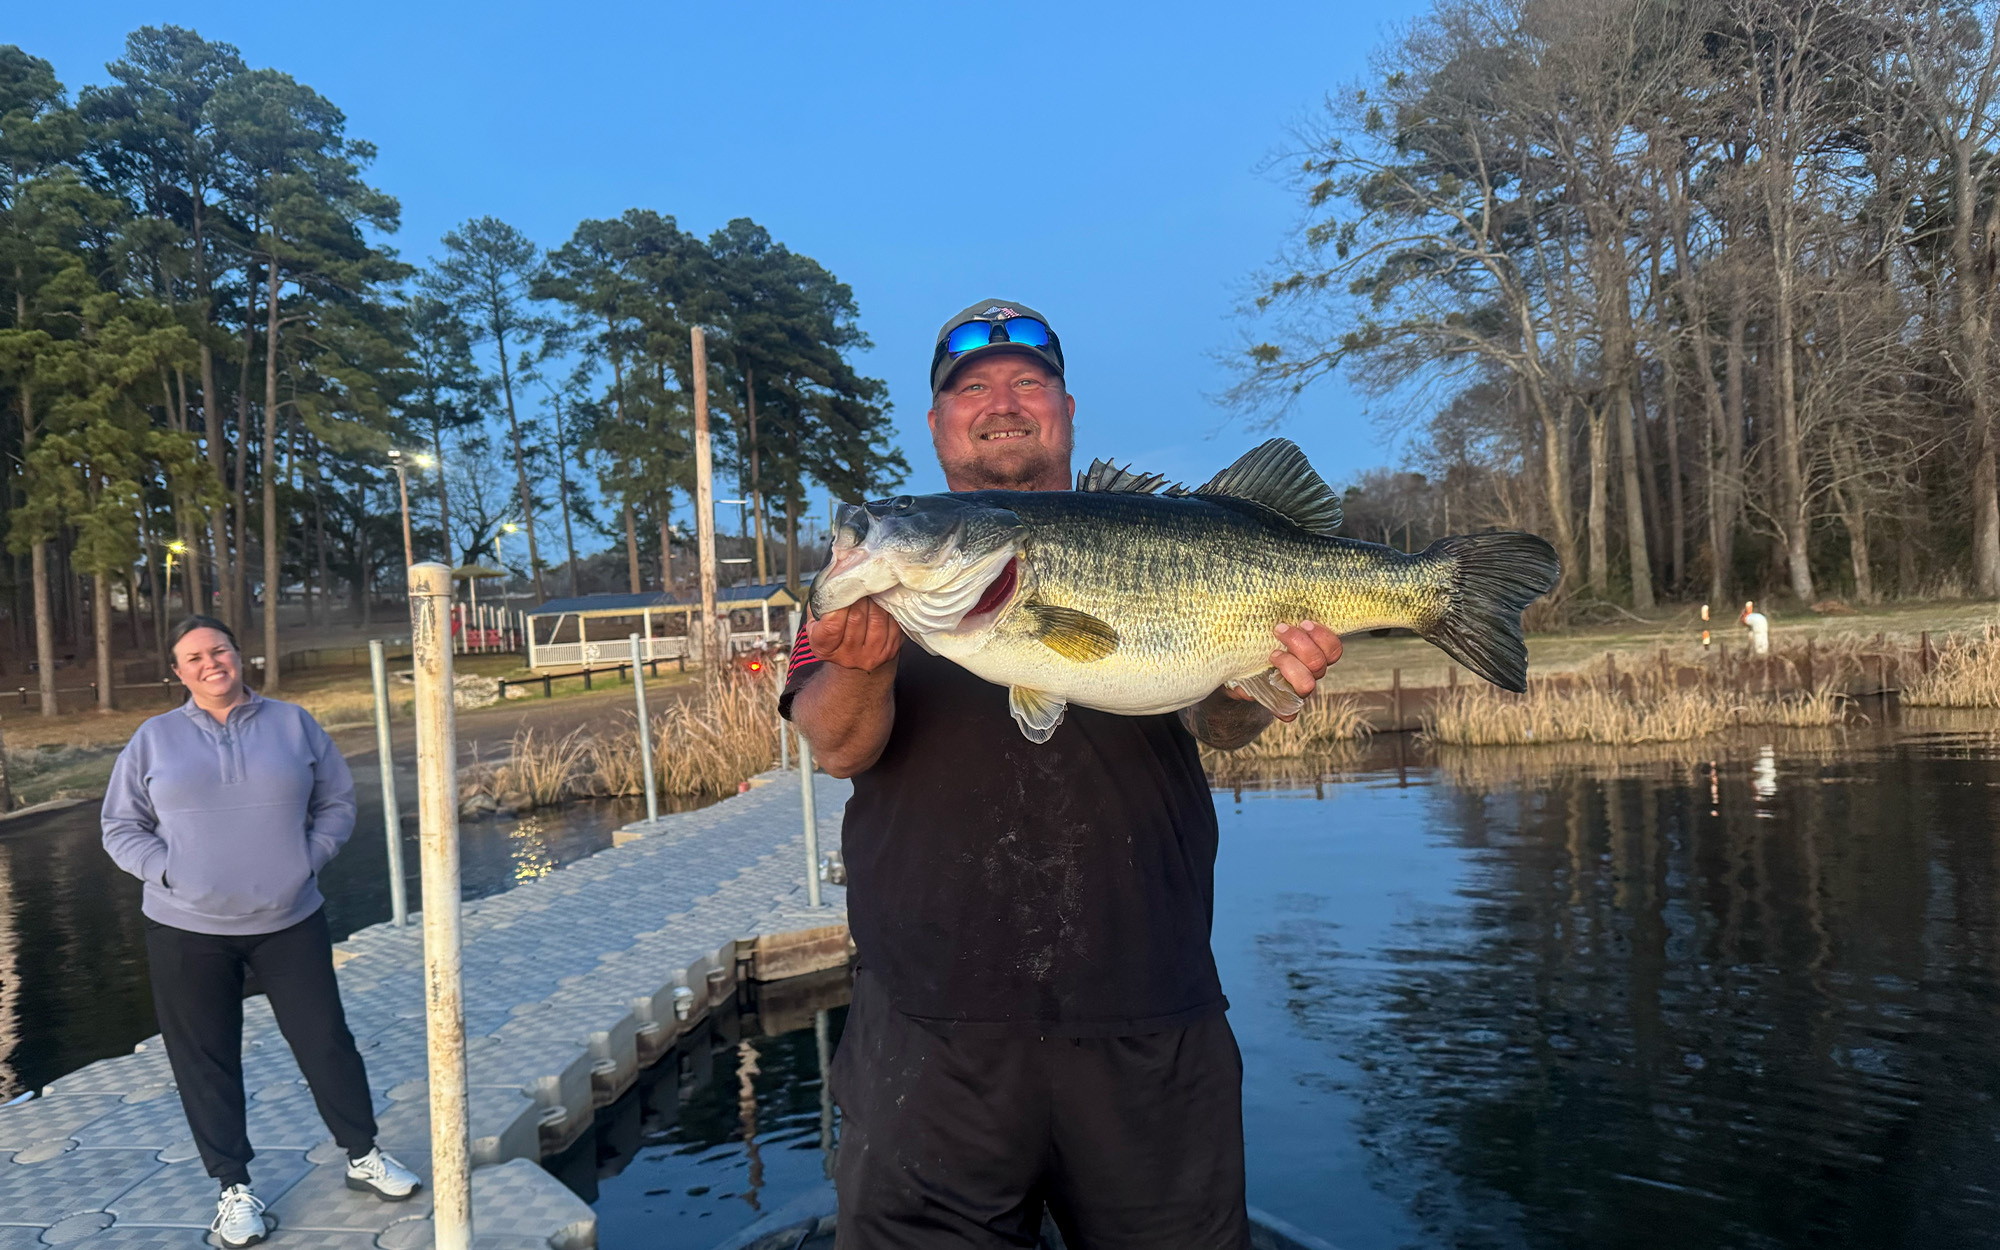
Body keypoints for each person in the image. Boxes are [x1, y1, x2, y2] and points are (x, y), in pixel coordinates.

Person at [784, 301, 1342, 1248]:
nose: (1001, 403)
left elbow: (1219, 722)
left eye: (1027, 382)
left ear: (1067, 409)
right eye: (971, 389)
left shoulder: (1162, 532)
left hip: (1150, 1015)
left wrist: (1262, 685)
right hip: (930, 1030)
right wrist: (869, 661)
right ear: (935, 424)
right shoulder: (865, 580)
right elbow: (837, 745)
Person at [101, 616, 421, 1249]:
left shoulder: (293, 723)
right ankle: (232, 1189)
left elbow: (336, 801)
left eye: (218, 649)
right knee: (206, 1058)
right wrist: (166, 871)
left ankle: (363, 1154)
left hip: (290, 917)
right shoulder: (152, 739)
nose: (208, 662)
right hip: (185, 927)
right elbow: (120, 826)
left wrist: (308, 858)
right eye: (192, 657)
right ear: (177, 671)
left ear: (238, 654)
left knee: (326, 1040)